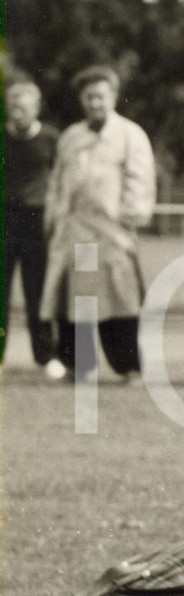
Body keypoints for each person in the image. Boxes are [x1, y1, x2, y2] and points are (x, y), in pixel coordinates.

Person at [39, 66, 156, 383]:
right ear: (82, 100)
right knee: (73, 304)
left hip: (111, 233)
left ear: (113, 97)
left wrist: (128, 218)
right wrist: (54, 218)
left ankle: (129, 369)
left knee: (118, 302)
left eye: (100, 96)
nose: (94, 103)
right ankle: (78, 366)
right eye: (89, 97)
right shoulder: (71, 137)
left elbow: (141, 182)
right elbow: (57, 183)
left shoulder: (131, 135)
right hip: (74, 231)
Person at [4, 80, 62, 377]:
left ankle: (45, 356)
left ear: (36, 108)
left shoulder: (51, 138)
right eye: (11, 105)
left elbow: (61, 179)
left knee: (37, 291)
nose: (16, 112)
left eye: (22, 106)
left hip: (37, 222)